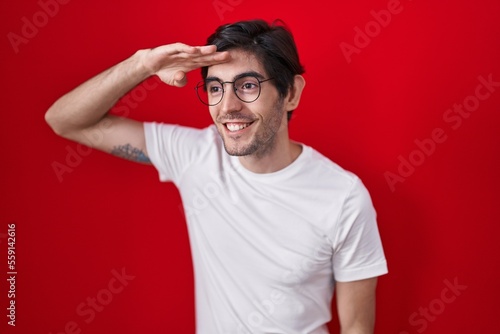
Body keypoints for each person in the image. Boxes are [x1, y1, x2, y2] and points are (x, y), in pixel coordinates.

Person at [45, 19, 388, 334]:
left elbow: (357, 326)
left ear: (291, 93)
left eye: (248, 85)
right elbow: (66, 120)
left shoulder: (343, 197)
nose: (227, 107)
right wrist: (143, 64)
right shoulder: (196, 155)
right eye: (215, 89)